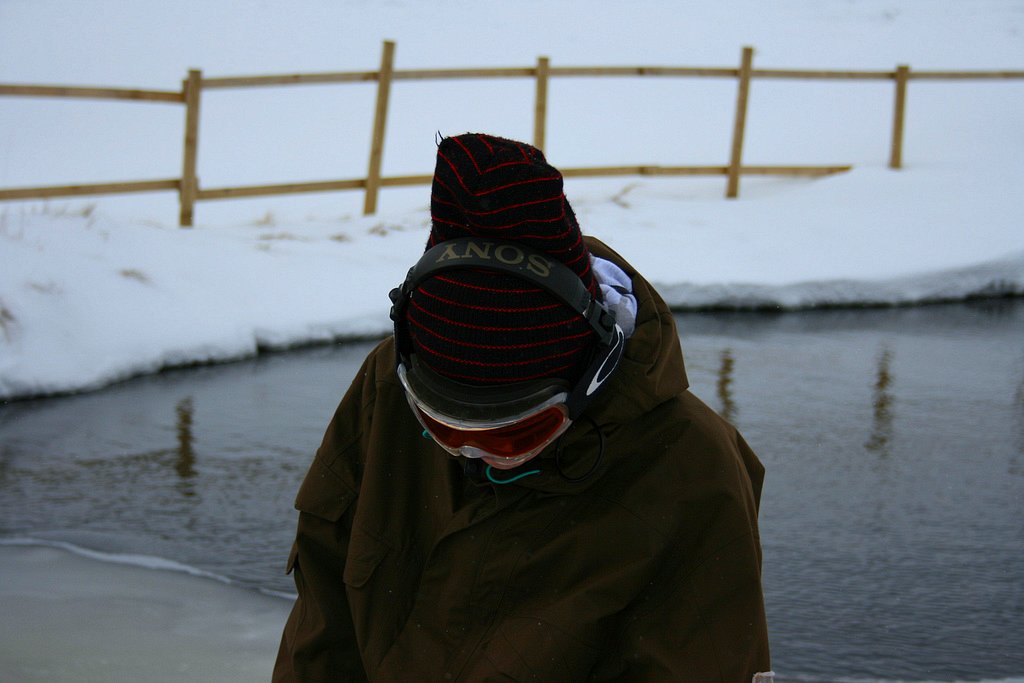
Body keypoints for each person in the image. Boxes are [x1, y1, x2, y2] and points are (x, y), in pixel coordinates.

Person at [272, 133, 772, 682]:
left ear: (589, 379)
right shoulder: (386, 386)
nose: (471, 453)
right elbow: (322, 615)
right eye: (440, 426)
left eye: (513, 435)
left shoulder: (693, 470)